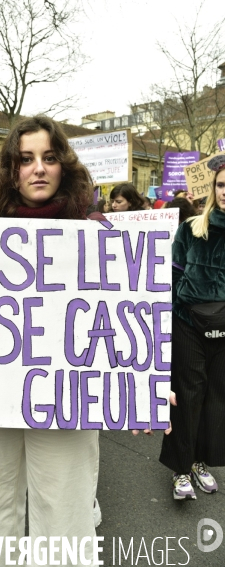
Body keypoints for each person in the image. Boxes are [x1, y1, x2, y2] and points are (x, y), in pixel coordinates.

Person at [0, 115, 103, 566]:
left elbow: (127, 316)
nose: (38, 169)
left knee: (65, 504)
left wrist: (147, 378)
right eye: (25, 159)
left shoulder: (95, 228)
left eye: (49, 157)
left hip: (66, 395)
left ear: (64, 164)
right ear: (11, 169)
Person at [159, 153, 225, 500]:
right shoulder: (191, 228)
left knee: (216, 399)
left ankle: (200, 461)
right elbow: (171, 276)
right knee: (187, 395)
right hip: (188, 323)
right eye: (221, 184)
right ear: (213, 188)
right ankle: (180, 469)